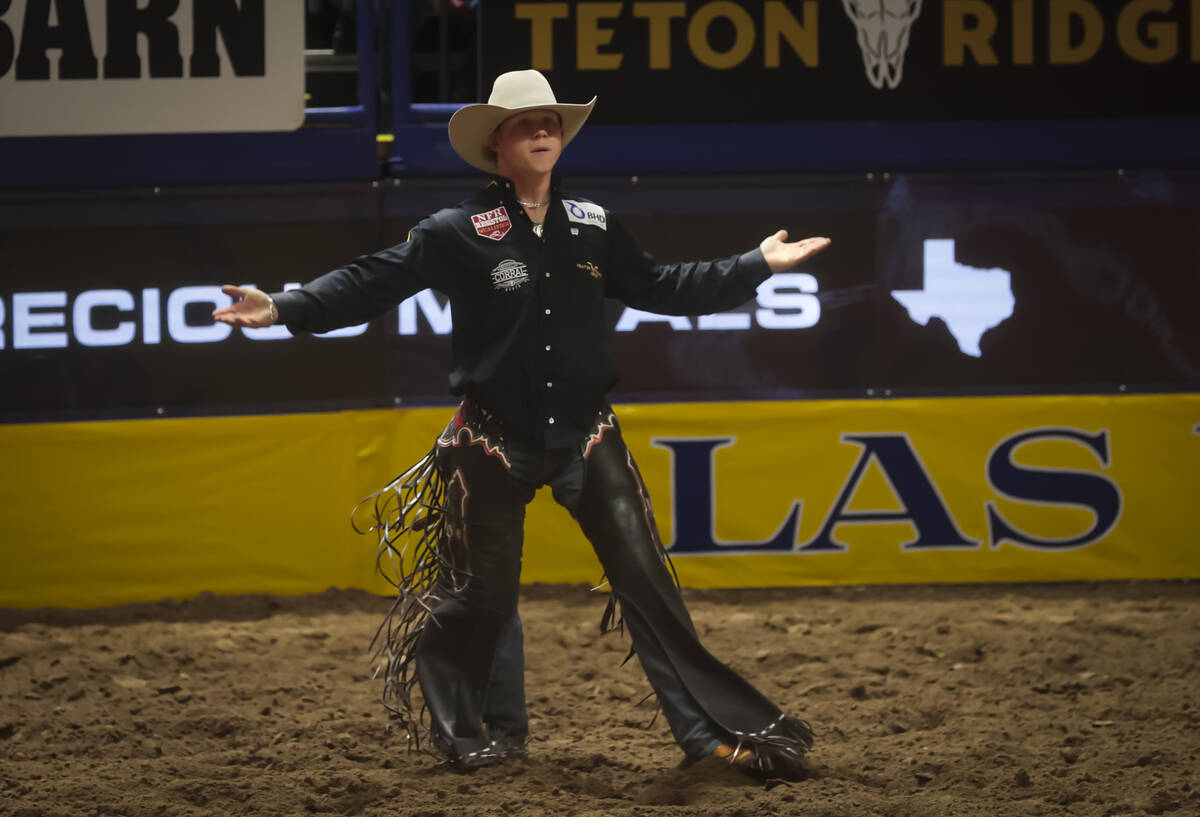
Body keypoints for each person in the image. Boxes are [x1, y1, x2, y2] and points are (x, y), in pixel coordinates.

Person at [214, 70, 830, 779]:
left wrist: (756, 263)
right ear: (496, 143)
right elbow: (373, 280)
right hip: (489, 437)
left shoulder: (595, 225)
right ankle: (485, 735)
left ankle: (705, 733)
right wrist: (284, 306)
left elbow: (664, 286)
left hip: (587, 434)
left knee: (646, 579)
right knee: (480, 595)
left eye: (552, 122)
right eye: (526, 123)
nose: (543, 131)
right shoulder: (457, 231)